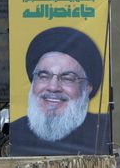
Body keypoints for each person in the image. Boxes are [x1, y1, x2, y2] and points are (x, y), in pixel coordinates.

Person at [10, 26, 111, 156]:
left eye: (68, 78)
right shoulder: (16, 133)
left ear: (88, 87)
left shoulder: (104, 132)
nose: (53, 87)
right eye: (44, 76)